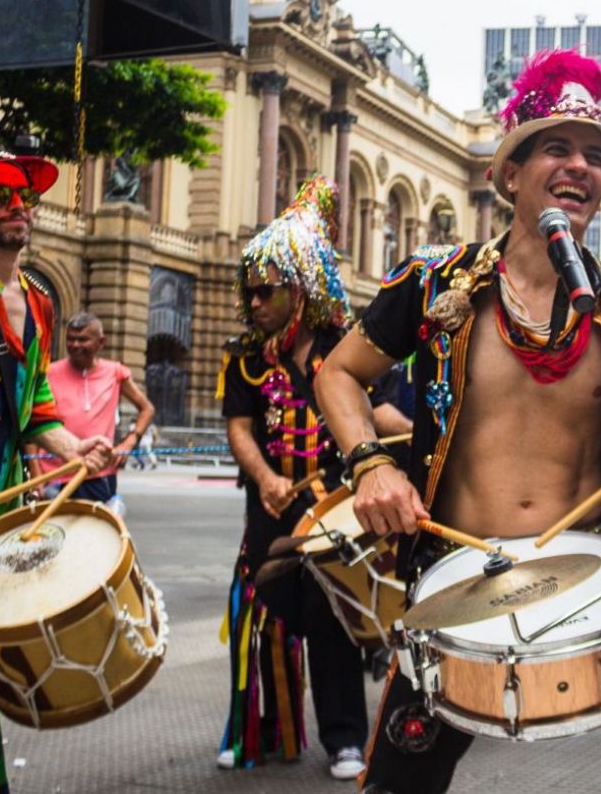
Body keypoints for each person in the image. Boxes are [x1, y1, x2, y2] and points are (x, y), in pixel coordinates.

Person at [315, 49, 601, 794]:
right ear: (508, 174)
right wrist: (371, 465)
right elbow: (337, 374)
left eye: (595, 156)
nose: (579, 166)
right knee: (400, 786)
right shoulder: (434, 283)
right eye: (556, 148)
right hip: (460, 578)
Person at [0, 148, 112, 794]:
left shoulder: (40, 300)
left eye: (25, 195)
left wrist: (73, 446)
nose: (18, 206)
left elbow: (34, 403)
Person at [214, 176, 368, 780]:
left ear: (298, 288)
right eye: (248, 292)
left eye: (266, 291)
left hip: (333, 508)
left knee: (333, 616)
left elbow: (372, 411)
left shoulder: (344, 349)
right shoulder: (244, 357)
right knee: (263, 615)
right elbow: (239, 428)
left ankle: (345, 739)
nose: (254, 302)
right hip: (271, 507)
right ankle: (263, 730)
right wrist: (265, 477)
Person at [37, 311, 155, 506]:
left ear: (101, 343)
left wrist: (129, 443)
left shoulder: (115, 372)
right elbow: (34, 422)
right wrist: (36, 476)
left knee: (97, 525)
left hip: (98, 475)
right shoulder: (48, 373)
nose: (75, 345)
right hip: (54, 476)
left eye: (83, 339)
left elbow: (147, 409)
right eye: (70, 339)